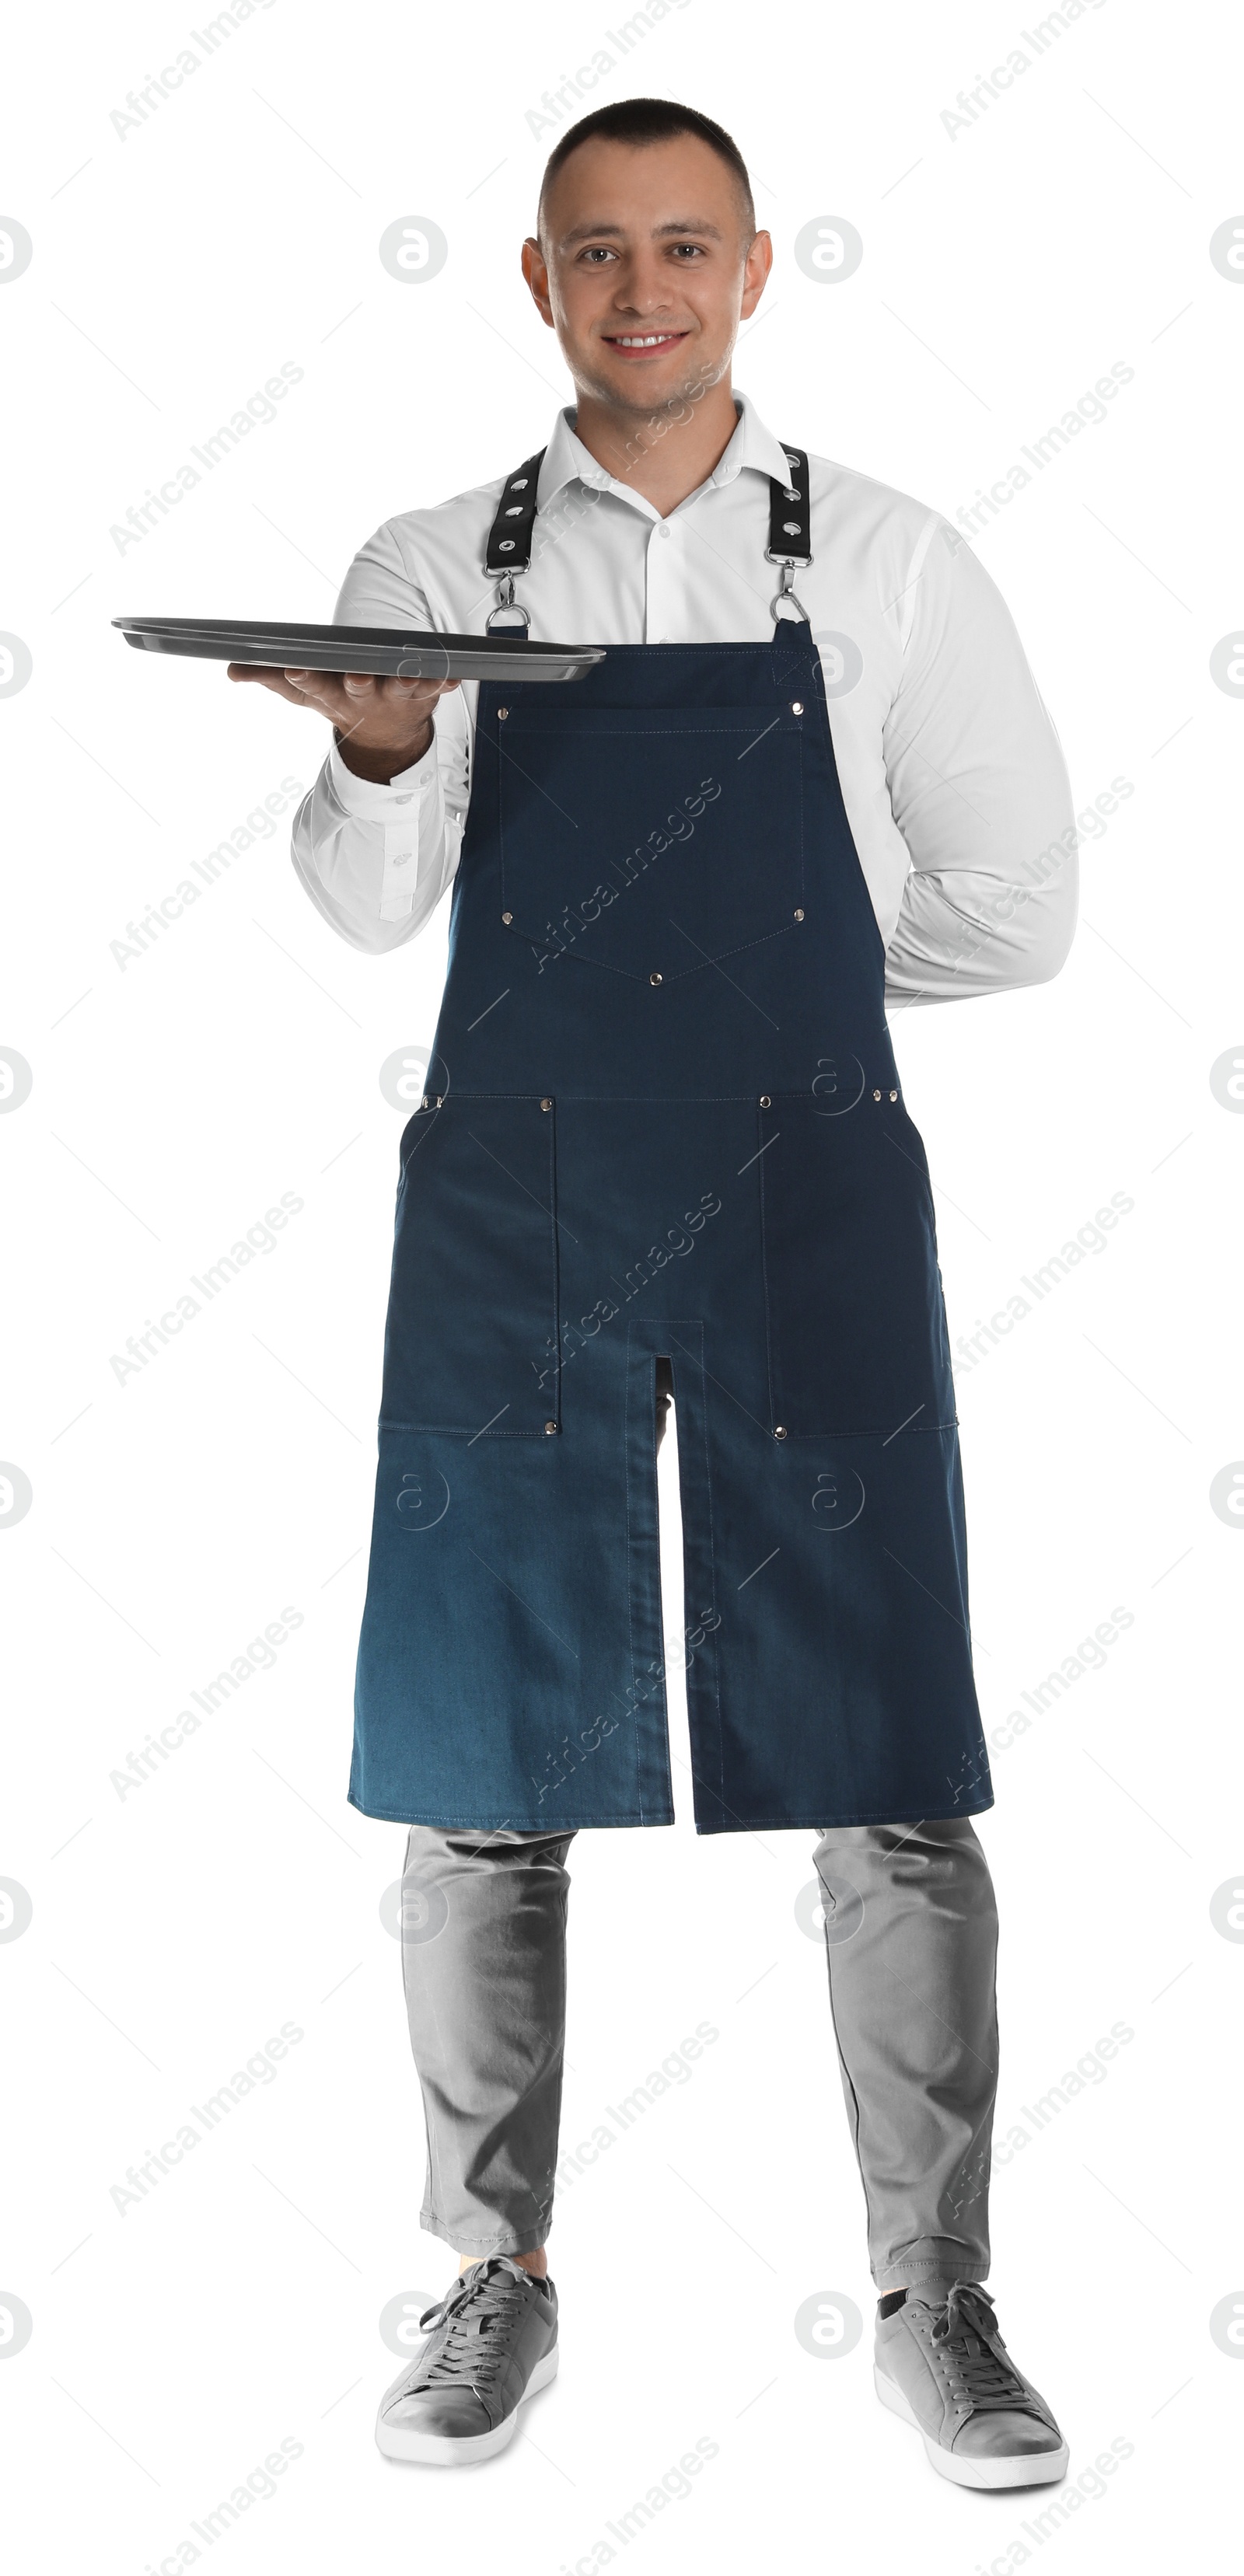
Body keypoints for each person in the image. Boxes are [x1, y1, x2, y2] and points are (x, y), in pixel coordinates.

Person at [230, 97, 1077, 2489]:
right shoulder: (429, 565)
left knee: (890, 1748)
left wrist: (757, 1015)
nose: (643, 290)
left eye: (684, 245)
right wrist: (386, 752)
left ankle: (940, 2292)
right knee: (483, 1748)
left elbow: (1017, 909)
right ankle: (489, 2276)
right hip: (517, 1198)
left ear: (756, 267)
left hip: (809, 1177)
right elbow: (372, 907)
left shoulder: (890, 562)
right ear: (534, 282)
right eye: (595, 254)